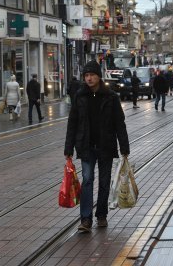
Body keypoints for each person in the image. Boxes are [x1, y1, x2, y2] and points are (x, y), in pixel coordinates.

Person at [64, 60, 130, 233]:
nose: (89, 78)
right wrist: (68, 148)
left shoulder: (111, 97)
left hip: (105, 146)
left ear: (99, 77)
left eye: (92, 75)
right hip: (86, 146)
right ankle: (85, 219)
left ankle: (101, 215)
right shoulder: (79, 96)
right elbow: (73, 123)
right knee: (87, 180)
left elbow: (119, 123)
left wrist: (124, 147)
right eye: (86, 75)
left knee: (104, 182)